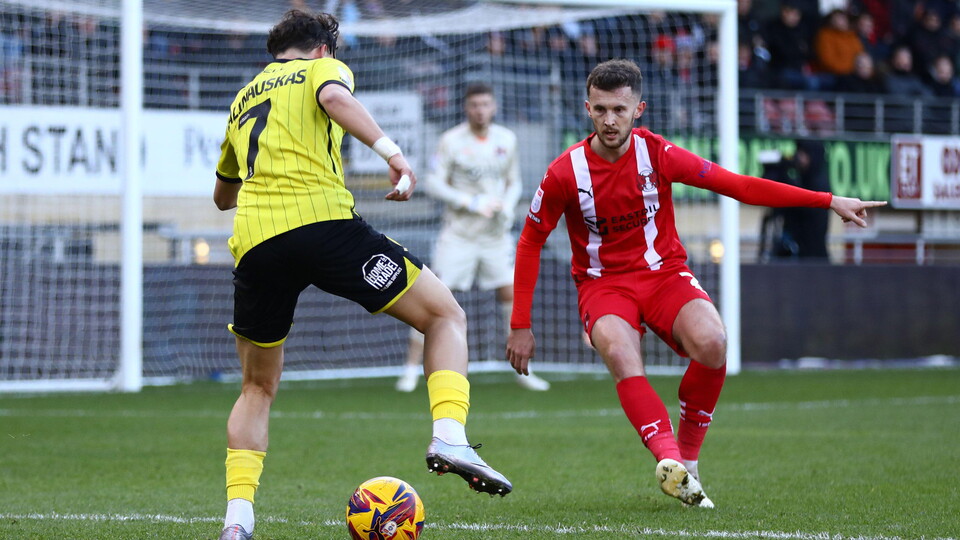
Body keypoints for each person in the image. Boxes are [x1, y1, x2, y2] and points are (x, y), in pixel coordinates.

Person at [506, 59, 885, 509]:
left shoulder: (660, 155)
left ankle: (688, 461)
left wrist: (828, 200)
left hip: (664, 274)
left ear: (639, 109)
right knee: (621, 353)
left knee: (713, 342)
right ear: (587, 108)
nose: (609, 120)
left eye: (619, 110)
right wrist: (520, 324)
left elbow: (740, 186)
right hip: (603, 285)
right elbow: (530, 240)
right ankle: (669, 460)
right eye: (601, 109)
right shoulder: (564, 172)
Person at [213, 10, 512, 540]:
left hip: (256, 243)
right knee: (444, 315)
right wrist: (393, 155)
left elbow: (222, 196)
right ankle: (449, 436)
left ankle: (238, 522)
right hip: (324, 227)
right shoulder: (321, 70)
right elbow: (334, 98)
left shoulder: (242, 100)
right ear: (323, 49)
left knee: (256, 386)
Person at [396, 82, 550, 393]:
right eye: (475, 105)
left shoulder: (507, 139)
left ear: (494, 107)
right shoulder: (451, 140)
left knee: (512, 295)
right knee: (434, 297)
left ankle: (524, 370)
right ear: (467, 108)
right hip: (459, 235)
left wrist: (507, 205)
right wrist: (470, 202)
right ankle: (411, 369)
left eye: (486, 104)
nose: (481, 110)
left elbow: (514, 181)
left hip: (494, 236)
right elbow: (434, 183)